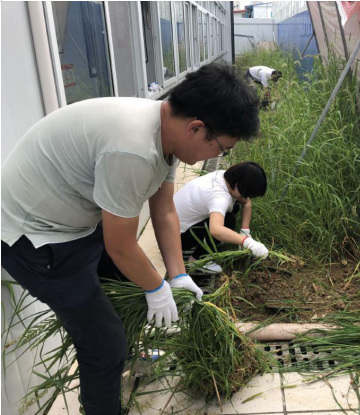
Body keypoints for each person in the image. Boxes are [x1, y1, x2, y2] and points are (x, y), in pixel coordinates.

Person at [1, 63, 259, 415]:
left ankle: (129, 355)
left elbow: (164, 211)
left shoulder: (165, 131)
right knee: (104, 345)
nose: (219, 157)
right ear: (196, 128)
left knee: (128, 284)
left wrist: (177, 275)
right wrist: (157, 287)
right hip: (35, 239)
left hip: (74, 221)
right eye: (222, 149)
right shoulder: (133, 149)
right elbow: (120, 245)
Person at [175, 161, 269, 274]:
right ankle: (198, 260)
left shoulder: (225, 177)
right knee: (228, 221)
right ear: (238, 185)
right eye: (246, 193)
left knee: (235, 205)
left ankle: (209, 243)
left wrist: (245, 231)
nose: (247, 197)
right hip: (176, 239)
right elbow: (216, 230)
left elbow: (246, 202)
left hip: (172, 226)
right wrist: (247, 242)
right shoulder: (219, 197)